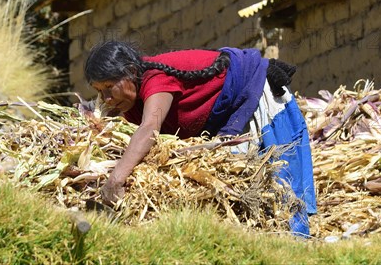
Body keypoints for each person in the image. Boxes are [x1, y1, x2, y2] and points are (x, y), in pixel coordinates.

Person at [84, 40, 317, 236]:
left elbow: (149, 129)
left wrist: (115, 180)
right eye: (98, 91)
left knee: (277, 183)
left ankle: (295, 242)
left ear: (132, 73)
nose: (105, 98)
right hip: (226, 119)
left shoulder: (155, 78)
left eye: (109, 86)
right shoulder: (129, 102)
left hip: (253, 94)